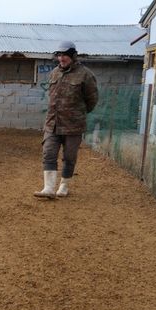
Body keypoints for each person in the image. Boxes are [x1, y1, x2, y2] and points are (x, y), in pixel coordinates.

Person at [34, 41, 99, 199]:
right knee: (48, 152)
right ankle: (48, 188)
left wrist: (78, 113)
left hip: (73, 125)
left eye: (64, 55)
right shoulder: (54, 72)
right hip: (53, 122)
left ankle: (63, 186)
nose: (61, 58)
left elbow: (92, 100)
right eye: (59, 55)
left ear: (73, 56)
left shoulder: (85, 74)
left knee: (69, 157)